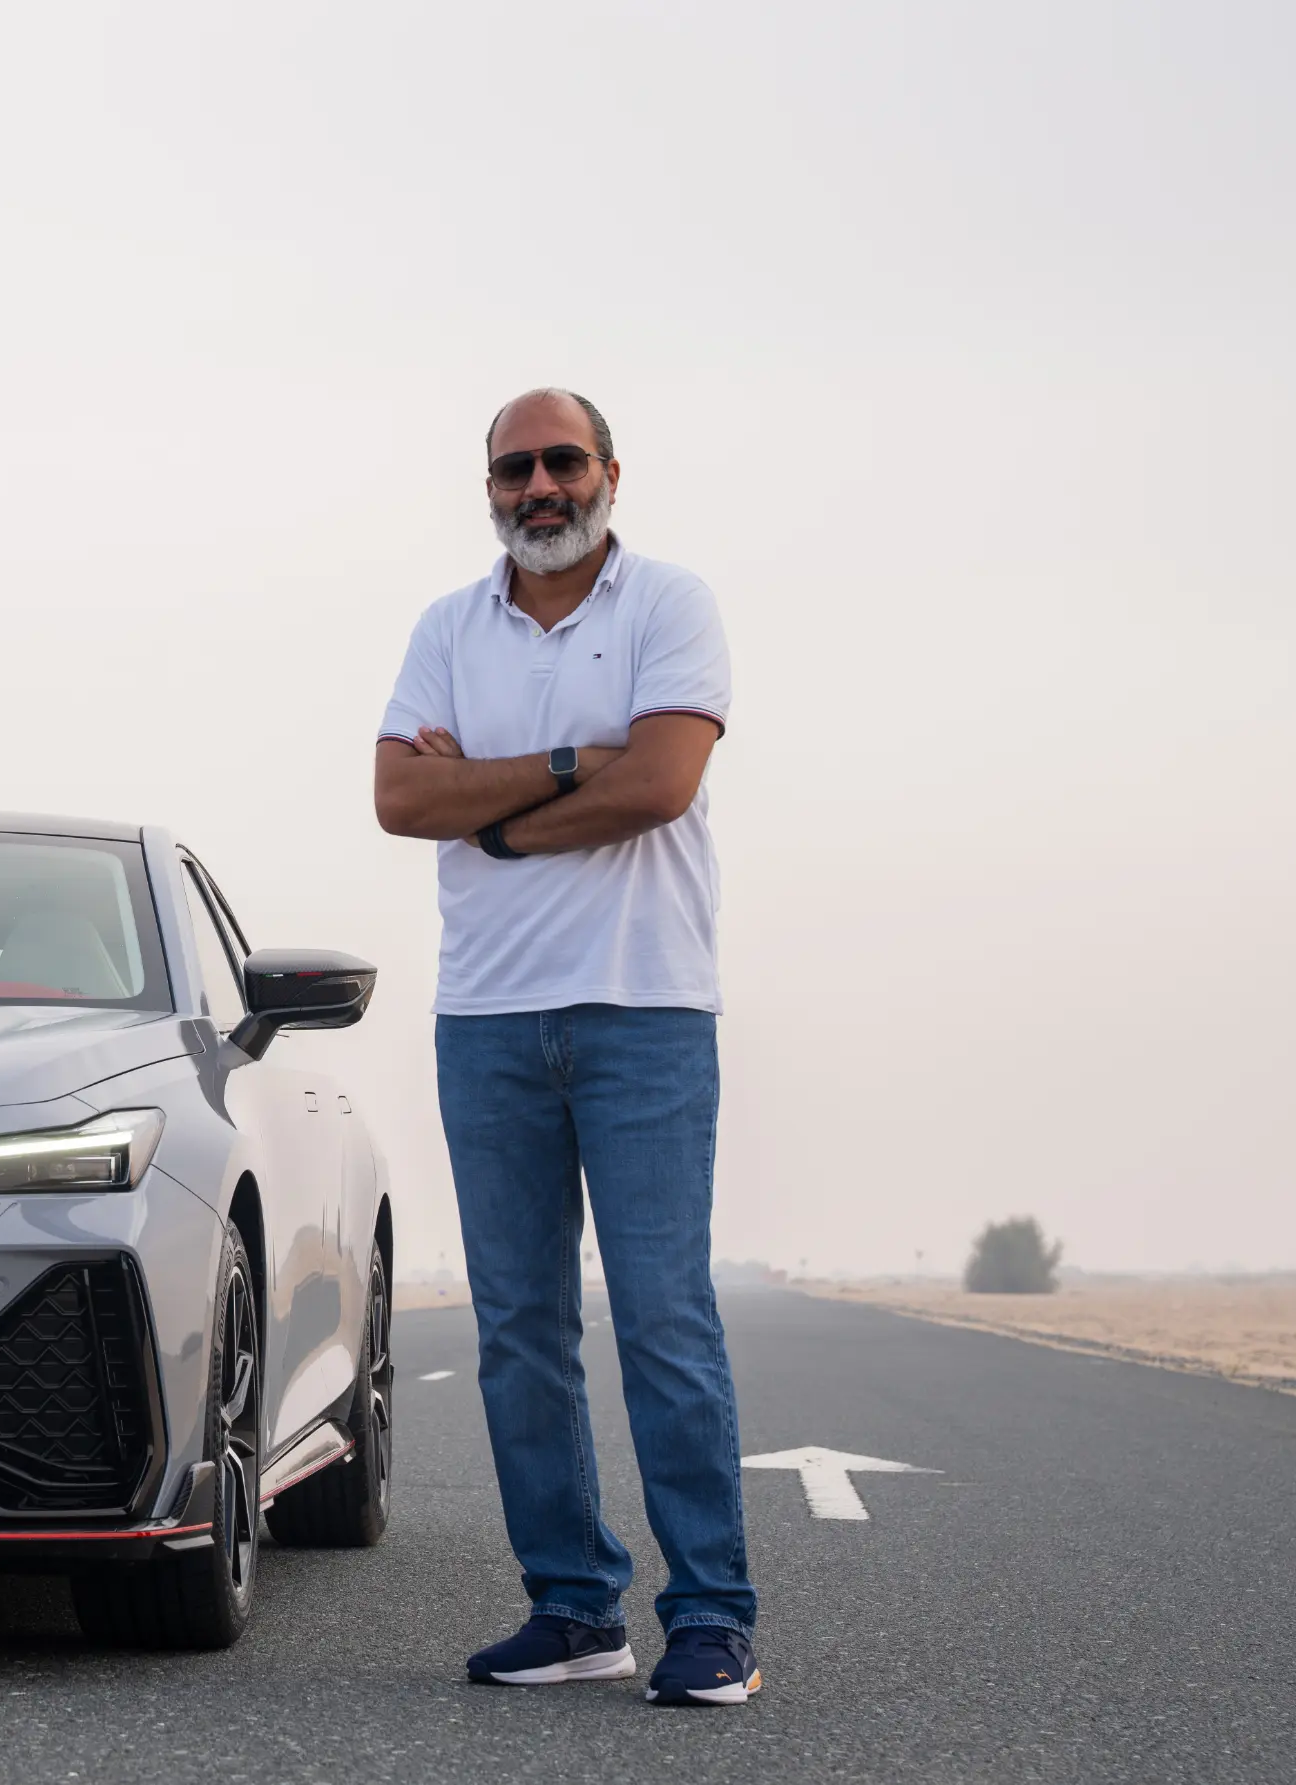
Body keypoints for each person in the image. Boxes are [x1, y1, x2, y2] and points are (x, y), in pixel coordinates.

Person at [370, 389, 759, 1707]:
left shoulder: (670, 606)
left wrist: (488, 815)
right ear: (491, 487)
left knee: (662, 1318)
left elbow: (660, 783)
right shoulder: (447, 627)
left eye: (562, 462)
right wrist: (564, 762)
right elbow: (399, 796)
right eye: (514, 469)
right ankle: (574, 1608)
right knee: (519, 1332)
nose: (539, 486)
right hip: (486, 1019)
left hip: (645, 1010)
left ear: (608, 473)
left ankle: (711, 1617)